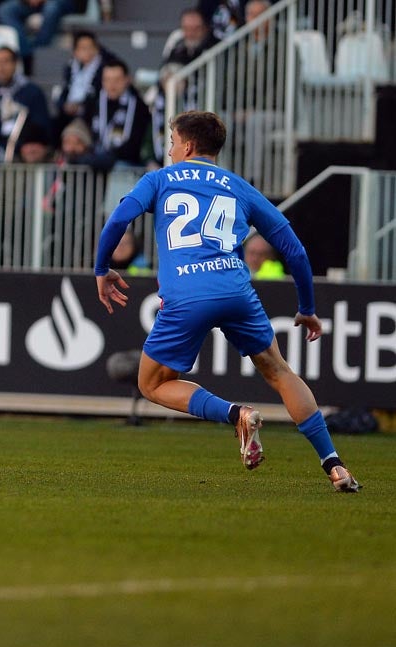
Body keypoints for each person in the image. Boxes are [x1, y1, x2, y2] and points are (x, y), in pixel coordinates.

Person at [94, 110, 360, 493]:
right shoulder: (238, 186)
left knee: (151, 384)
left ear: (186, 145)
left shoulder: (159, 179)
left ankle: (236, 414)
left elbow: (119, 219)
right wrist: (306, 307)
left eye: (171, 143)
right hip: (236, 291)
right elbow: (295, 251)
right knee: (280, 372)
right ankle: (334, 465)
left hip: (186, 294)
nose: (170, 151)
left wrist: (102, 268)